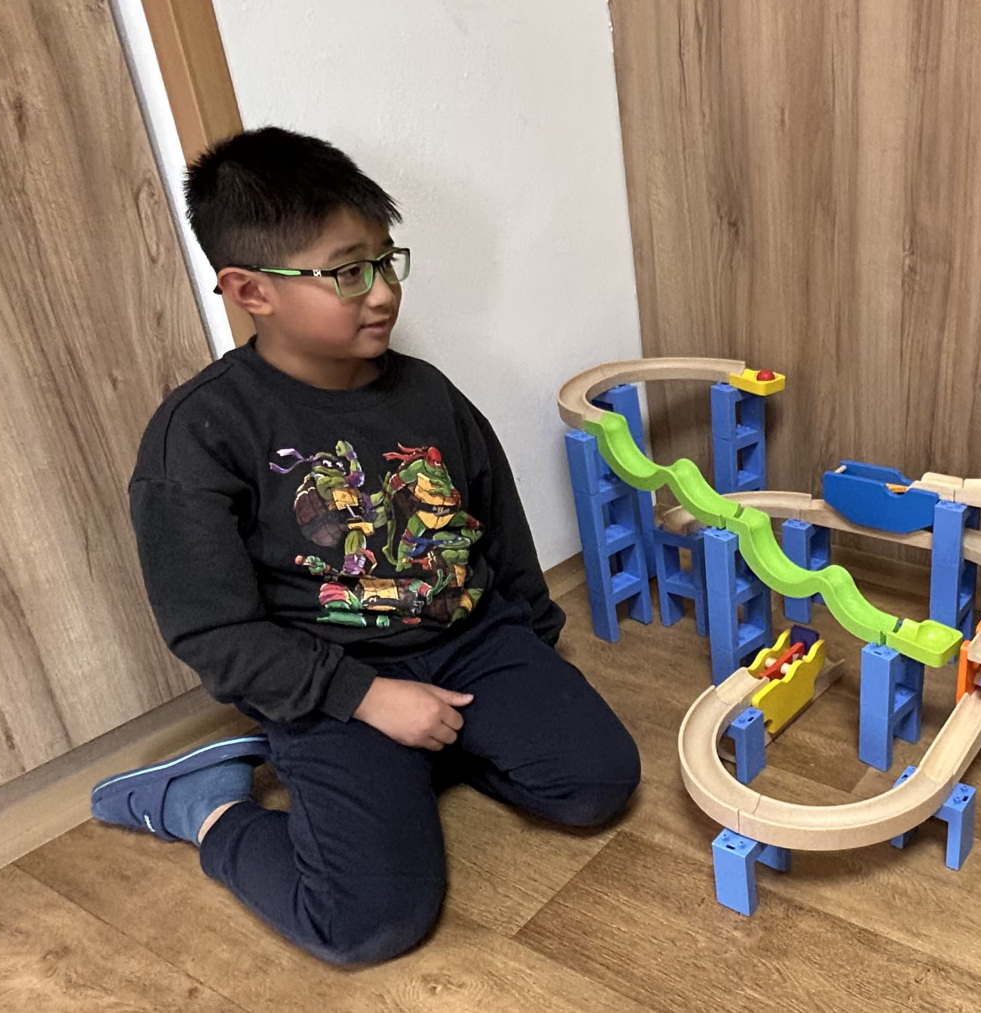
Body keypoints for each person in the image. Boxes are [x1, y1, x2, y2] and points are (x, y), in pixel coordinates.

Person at [90, 127, 642, 962]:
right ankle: (205, 806)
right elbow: (214, 631)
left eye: (387, 261)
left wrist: (534, 645)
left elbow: (498, 526)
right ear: (251, 290)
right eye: (349, 272)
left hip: (471, 640)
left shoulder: (429, 394)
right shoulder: (200, 434)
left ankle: (418, 761)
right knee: (370, 923)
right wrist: (364, 698)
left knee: (599, 781)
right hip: (328, 679)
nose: (383, 292)